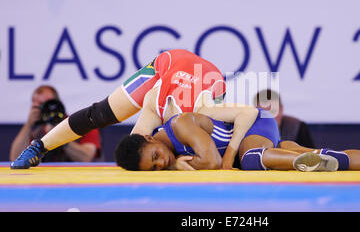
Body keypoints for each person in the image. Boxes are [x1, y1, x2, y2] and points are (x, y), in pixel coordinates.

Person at [11, 49, 257, 170]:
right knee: (100, 113)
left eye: (156, 161)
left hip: (205, 79)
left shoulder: (203, 110)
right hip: (165, 67)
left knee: (207, 141)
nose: (162, 163)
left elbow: (245, 115)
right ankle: (39, 146)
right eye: (158, 162)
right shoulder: (153, 102)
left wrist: (230, 152)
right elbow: (133, 150)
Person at [115, 109, 360, 172]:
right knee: (335, 158)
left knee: (252, 160)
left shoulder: (179, 124)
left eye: (155, 156)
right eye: (156, 169)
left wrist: (179, 170)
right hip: (253, 144)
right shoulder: (168, 149)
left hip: (254, 124)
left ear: (148, 138)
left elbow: (214, 162)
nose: (163, 163)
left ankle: (301, 163)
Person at [10, 85, 102, 163]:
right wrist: (29, 124)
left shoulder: (83, 124)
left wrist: (57, 135)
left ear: (58, 103)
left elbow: (85, 158)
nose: (48, 108)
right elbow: (16, 159)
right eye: (40, 105)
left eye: (48, 103)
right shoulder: (36, 132)